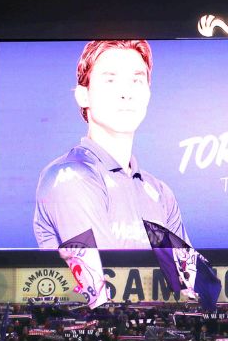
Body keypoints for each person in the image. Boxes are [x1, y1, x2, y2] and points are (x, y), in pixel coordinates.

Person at [32, 39, 188, 250]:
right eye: (110, 80)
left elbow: (192, 277)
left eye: (136, 80)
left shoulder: (160, 192)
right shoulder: (68, 176)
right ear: (83, 95)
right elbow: (103, 276)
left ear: (148, 94)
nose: (126, 93)